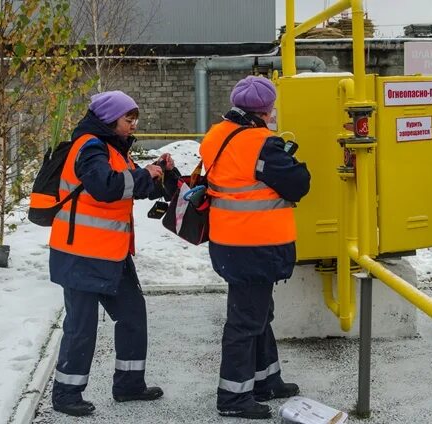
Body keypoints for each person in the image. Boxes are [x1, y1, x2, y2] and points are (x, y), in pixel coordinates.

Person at [48, 90, 178, 416]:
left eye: (135, 119)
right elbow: (105, 187)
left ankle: (130, 385)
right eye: (128, 119)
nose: (134, 125)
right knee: (82, 326)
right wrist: (142, 175)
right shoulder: (89, 147)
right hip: (80, 254)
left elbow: (133, 186)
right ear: (109, 119)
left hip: (111, 254)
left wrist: (157, 173)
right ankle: (66, 395)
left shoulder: (112, 149)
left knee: (132, 316)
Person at [199, 76, 311, 419]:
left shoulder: (217, 135)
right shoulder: (262, 144)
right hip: (255, 244)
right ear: (266, 110)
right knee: (245, 322)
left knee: (260, 315)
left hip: (229, 242)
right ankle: (233, 399)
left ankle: (267, 380)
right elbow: (299, 184)